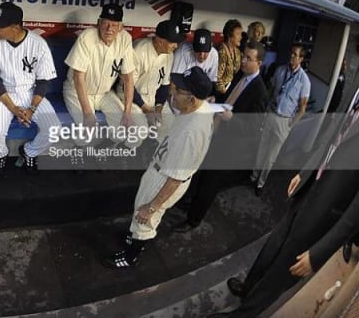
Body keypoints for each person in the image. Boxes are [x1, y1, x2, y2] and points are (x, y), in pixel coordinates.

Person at [209, 117, 359, 317]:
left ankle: (245, 313)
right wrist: (305, 172)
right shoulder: (353, 88)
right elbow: (330, 137)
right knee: (273, 245)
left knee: (282, 269)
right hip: (309, 188)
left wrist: (320, 253)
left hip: (327, 211)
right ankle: (249, 287)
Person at [103, 67, 214, 268]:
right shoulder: (199, 106)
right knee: (140, 212)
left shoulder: (192, 133)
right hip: (162, 166)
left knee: (145, 217)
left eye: (178, 90)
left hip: (165, 178)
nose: (172, 91)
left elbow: (176, 179)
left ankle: (131, 256)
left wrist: (152, 206)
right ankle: (135, 236)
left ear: (192, 98)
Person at [175, 41, 270, 233]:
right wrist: (215, 100)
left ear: (259, 63)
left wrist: (232, 118)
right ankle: (191, 203)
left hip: (228, 145)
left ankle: (194, 220)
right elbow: (228, 98)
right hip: (215, 133)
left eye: (248, 59)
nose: (243, 61)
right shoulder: (240, 76)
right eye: (243, 56)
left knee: (210, 182)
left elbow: (253, 128)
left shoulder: (260, 92)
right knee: (200, 175)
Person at [0, 2, 61, 176]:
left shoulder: (38, 44)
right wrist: (14, 109)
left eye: (0, 26)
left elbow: (43, 82)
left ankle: (29, 151)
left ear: (15, 27)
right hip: (1, 94)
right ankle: (1, 154)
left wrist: (31, 109)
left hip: (29, 92)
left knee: (54, 129)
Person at [63, 3, 137, 146]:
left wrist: (127, 112)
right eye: (106, 23)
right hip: (77, 91)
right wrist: (88, 113)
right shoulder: (87, 37)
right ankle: (78, 154)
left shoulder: (125, 39)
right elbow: (79, 77)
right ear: (98, 23)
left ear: (120, 27)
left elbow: (128, 79)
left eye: (114, 25)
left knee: (125, 128)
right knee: (87, 132)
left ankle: (103, 150)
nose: (110, 29)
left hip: (104, 93)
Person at [252, 46, 310, 195]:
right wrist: (266, 111)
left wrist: (290, 125)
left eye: (295, 55)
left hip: (284, 121)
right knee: (262, 147)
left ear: (301, 59)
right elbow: (272, 91)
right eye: (291, 53)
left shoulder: (304, 81)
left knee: (271, 156)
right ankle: (253, 176)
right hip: (272, 113)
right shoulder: (280, 70)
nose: (292, 56)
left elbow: (302, 108)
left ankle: (260, 183)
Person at [215, 19, 243, 102]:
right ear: (229, 36)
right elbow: (217, 79)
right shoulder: (221, 51)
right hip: (220, 94)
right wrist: (227, 94)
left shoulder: (237, 52)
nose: (240, 37)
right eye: (238, 34)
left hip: (231, 92)